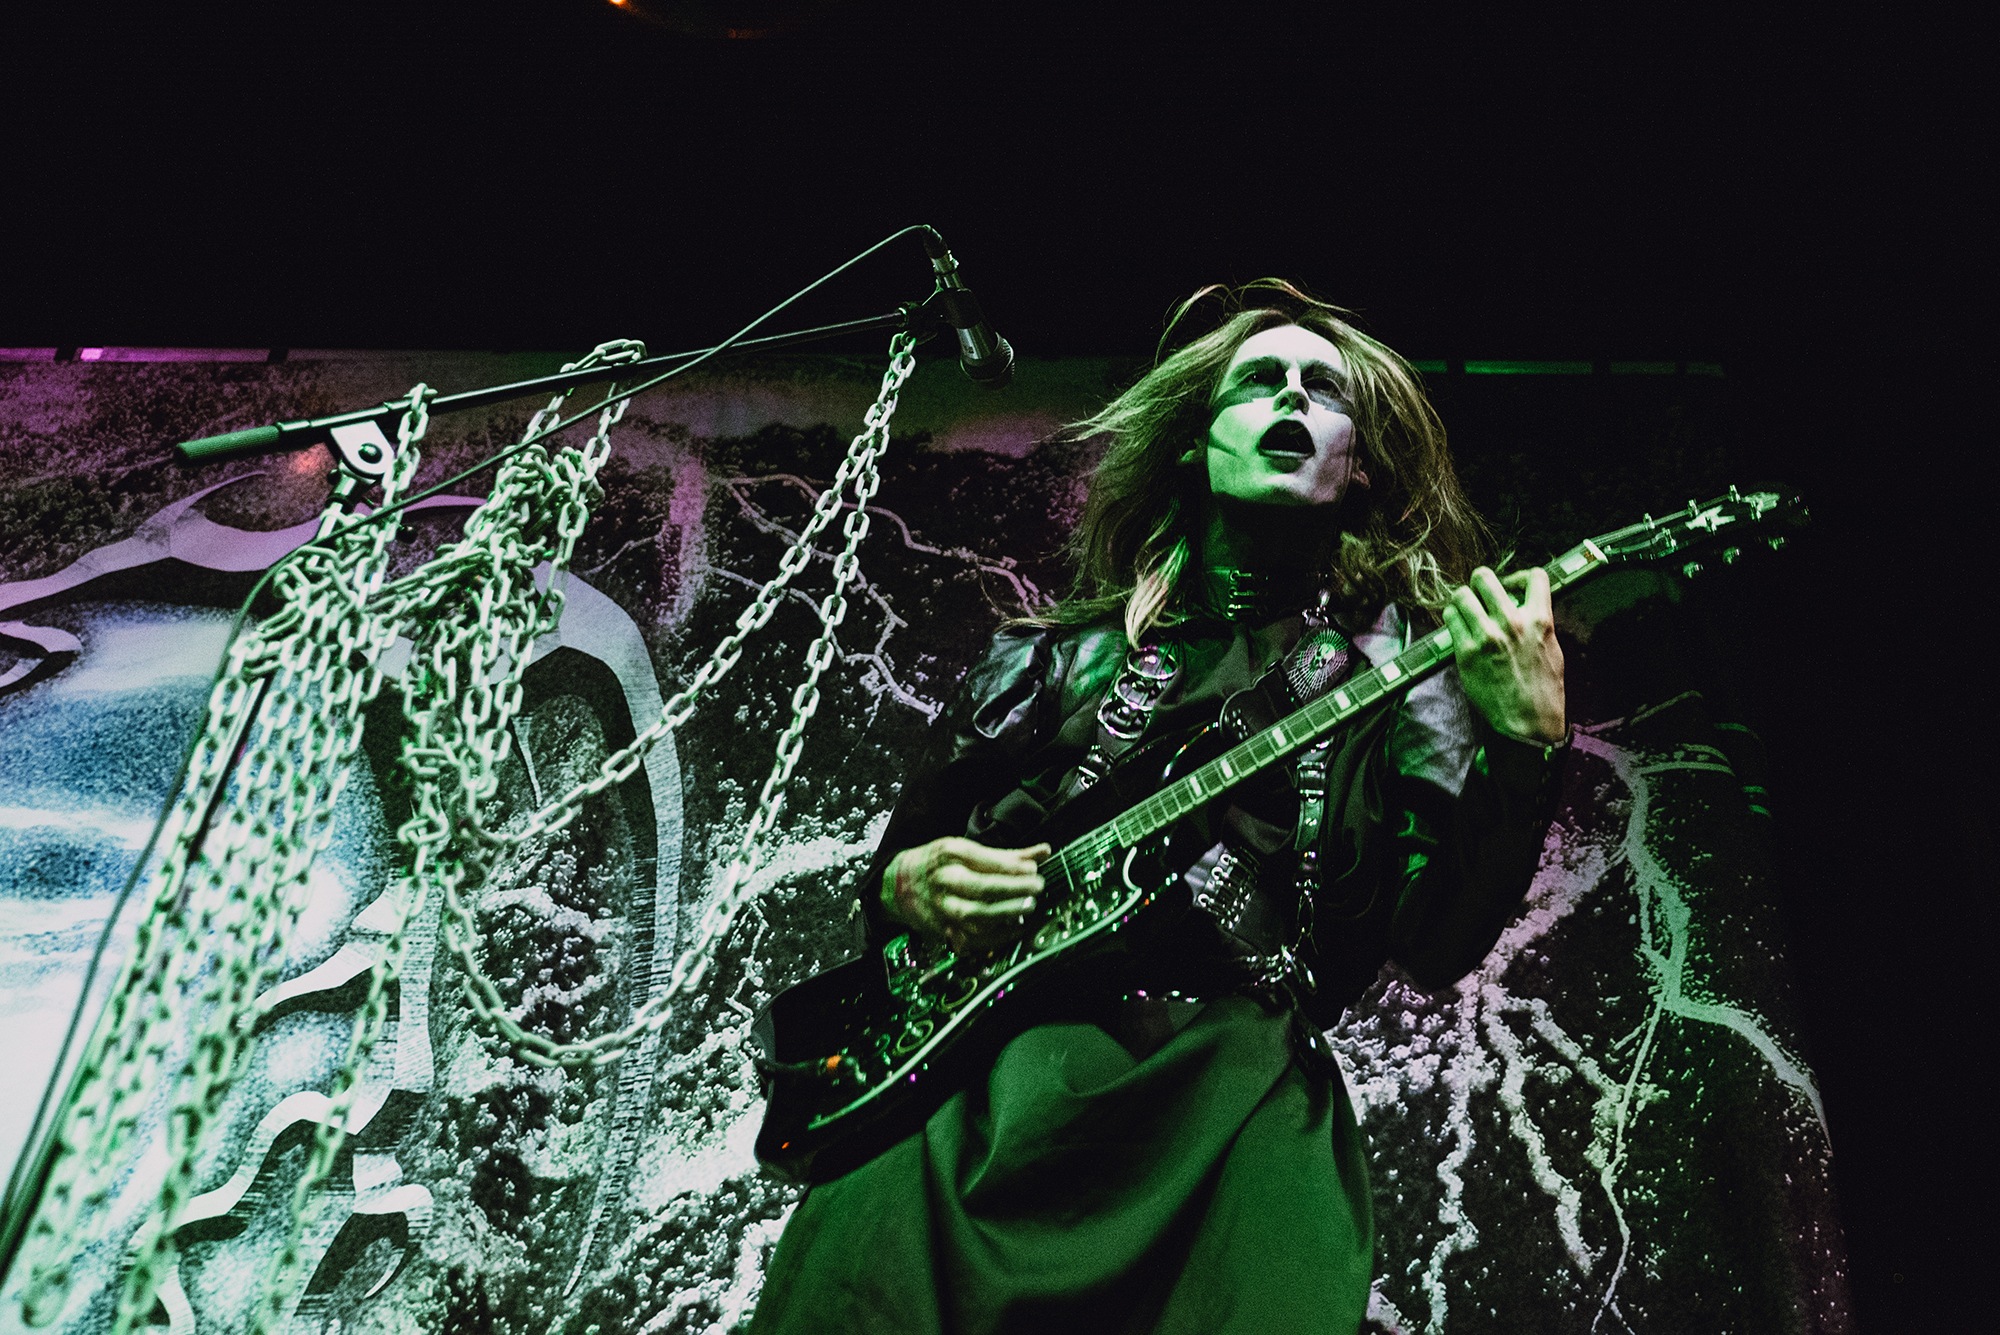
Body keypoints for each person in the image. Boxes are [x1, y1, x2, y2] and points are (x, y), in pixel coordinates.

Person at [748, 280, 1567, 1334]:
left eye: (1322, 390)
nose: (1290, 397)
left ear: (1356, 464)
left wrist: (1524, 749)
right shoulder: (1046, 660)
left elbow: (1438, 940)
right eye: (1257, 381)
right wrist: (913, 882)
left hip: (1238, 1109)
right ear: (1193, 444)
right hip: (974, 1090)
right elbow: (895, 882)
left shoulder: (1408, 689)